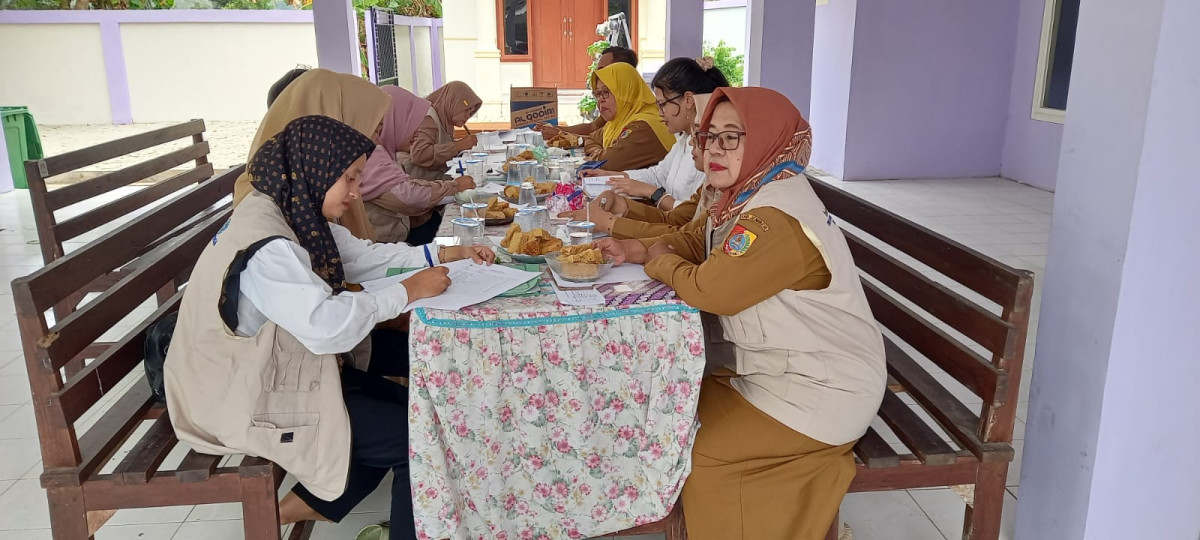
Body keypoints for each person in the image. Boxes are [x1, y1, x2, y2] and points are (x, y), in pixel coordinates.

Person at [165, 116, 495, 539]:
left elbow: (363, 258)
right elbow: (326, 327)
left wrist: (445, 253)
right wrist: (407, 292)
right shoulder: (270, 245)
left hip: (279, 373)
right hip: (239, 395)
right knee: (420, 439)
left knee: (419, 412)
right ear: (314, 170)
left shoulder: (289, 210)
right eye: (350, 179)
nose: (356, 193)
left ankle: (304, 508)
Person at [593, 88, 887, 540]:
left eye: (733, 137)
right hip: (783, 372)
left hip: (823, 392)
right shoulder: (744, 193)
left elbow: (713, 289)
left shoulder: (774, 216)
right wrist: (634, 248)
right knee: (663, 410)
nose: (714, 148)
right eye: (710, 135)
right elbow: (699, 242)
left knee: (697, 450)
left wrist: (657, 259)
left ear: (769, 139)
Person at [560, 58, 728, 238]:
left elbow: (692, 223)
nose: (660, 113)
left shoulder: (711, 154)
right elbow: (660, 178)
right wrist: (616, 180)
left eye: (662, 104)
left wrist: (649, 195)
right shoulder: (684, 139)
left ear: (688, 100)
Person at [234, 68, 390, 241]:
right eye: (374, 128)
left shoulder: (313, 188)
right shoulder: (270, 219)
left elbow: (355, 253)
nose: (377, 140)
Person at [360, 86, 475, 245]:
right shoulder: (368, 154)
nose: (417, 133)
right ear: (395, 121)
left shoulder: (382, 150)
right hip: (385, 247)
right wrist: (453, 186)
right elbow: (408, 196)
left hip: (396, 238)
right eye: (412, 124)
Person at [580, 62, 674, 171]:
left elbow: (607, 163)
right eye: (597, 94)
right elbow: (591, 138)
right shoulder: (616, 122)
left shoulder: (643, 126)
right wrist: (598, 152)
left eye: (606, 92)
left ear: (626, 91)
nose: (600, 99)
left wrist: (596, 155)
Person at [534, 46, 639, 138]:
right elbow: (592, 130)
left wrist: (560, 134)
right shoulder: (610, 105)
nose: (598, 75)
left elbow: (601, 146)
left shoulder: (638, 120)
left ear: (622, 72)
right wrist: (555, 129)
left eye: (603, 70)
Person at [404, 80, 483, 181]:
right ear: (452, 102)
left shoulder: (446, 119)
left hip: (434, 178)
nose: (468, 116)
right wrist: (458, 146)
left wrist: (461, 147)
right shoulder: (428, 117)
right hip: (419, 181)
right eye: (465, 110)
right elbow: (419, 154)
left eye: (471, 112)